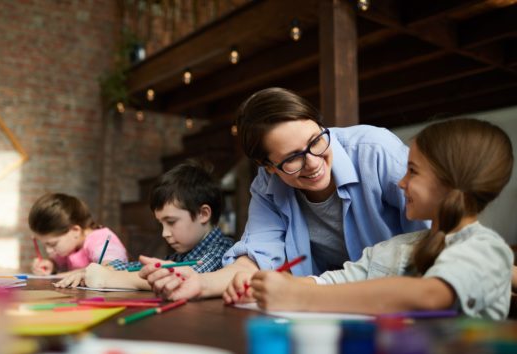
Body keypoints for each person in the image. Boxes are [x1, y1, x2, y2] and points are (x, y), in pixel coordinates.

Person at [143, 87, 428, 301]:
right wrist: (200, 283)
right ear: (267, 167)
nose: (314, 162)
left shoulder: (376, 152)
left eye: (316, 140)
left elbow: (437, 234)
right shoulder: (267, 188)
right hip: (328, 304)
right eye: (292, 158)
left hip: (405, 298)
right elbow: (254, 259)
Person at [249, 118, 514, 319]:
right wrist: (277, 286)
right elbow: (337, 280)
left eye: (412, 171)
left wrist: (301, 296)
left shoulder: (484, 249)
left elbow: (430, 295)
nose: (400, 182)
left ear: (449, 181)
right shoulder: (397, 248)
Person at [55, 160, 234, 290]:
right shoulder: (184, 254)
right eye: (161, 224)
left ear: (203, 214)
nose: (165, 233)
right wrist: (99, 269)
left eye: (171, 222)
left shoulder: (222, 251)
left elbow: (183, 278)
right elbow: (138, 268)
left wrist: (109, 278)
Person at [28, 193, 127, 276]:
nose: (48, 250)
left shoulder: (100, 239)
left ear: (75, 230)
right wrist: (50, 265)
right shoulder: (69, 246)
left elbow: (113, 267)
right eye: (45, 244)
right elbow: (59, 264)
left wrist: (64, 275)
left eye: (53, 244)